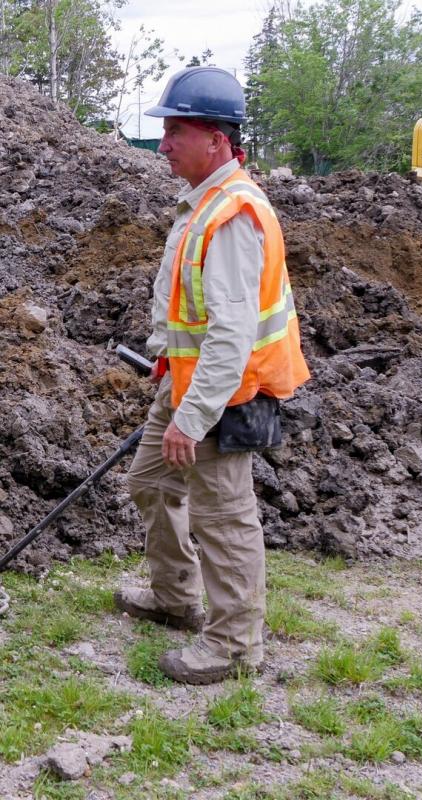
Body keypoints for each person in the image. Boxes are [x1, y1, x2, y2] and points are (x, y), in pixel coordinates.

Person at [114, 67, 310, 685]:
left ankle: (234, 644)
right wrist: (171, 360)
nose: (164, 143)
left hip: (226, 396)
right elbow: (194, 311)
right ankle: (176, 597)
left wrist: (193, 416)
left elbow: (230, 333)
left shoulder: (232, 215)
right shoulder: (203, 202)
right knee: (150, 480)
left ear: (218, 140)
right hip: (189, 382)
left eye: (176, 130)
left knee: (223, 517)